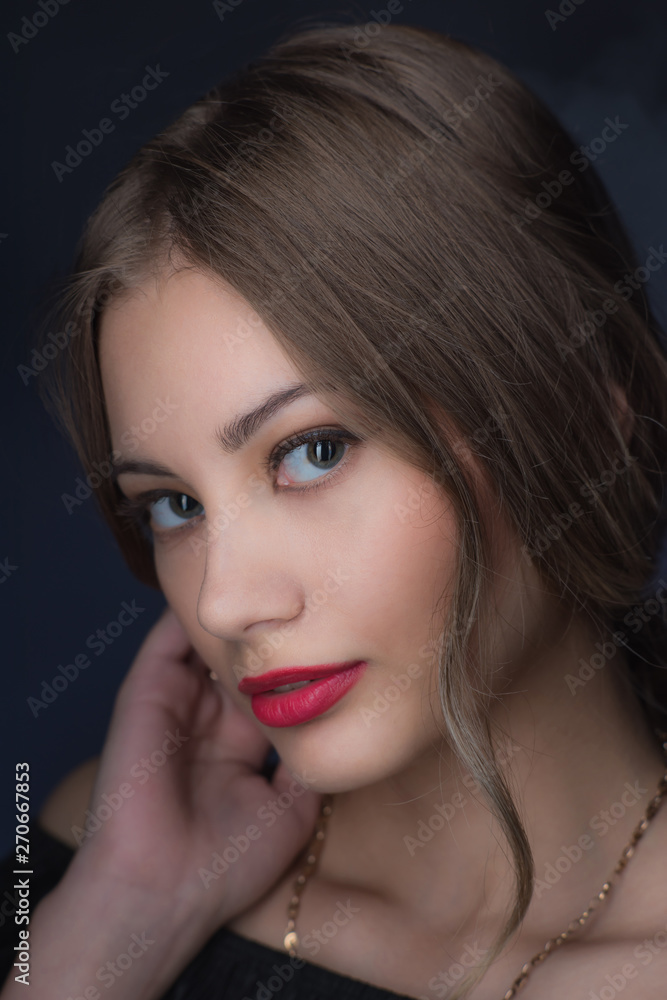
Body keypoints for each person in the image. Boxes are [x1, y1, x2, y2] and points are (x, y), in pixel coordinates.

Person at [2, 19, 667, 1000]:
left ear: (583, 424)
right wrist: (116, 924)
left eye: (311, 452)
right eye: (173, 504)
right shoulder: (87, 870)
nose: (223, 603)